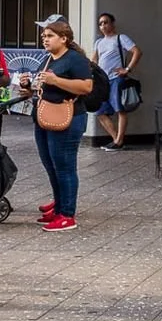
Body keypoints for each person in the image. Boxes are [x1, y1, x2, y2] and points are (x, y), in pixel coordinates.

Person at [15, 16, 93, 232]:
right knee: (50, 164)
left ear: (64, 38)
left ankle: (67, 214)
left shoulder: (75, 59)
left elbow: (86, 86)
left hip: (68, 118)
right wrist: (29, 87)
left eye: (50, 36)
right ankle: (59, 206)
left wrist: (56, 81)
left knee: (65, 166)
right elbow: (45, 83)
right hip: (43, 115)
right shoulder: (48, 58)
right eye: (43, 36)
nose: (45, 39)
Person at [92, 12, 142, 149]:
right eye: (100, 23)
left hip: (116, 79)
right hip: (102, 81)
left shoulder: (120, 38)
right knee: (100, 112)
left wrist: (127, 69)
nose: (103, 26)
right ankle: (116, 140)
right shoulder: (99, 42)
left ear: (112, 23)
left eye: (106, 22)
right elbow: (94, 60)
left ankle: (118, 141)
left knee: (120, 109)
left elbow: (137, 51)